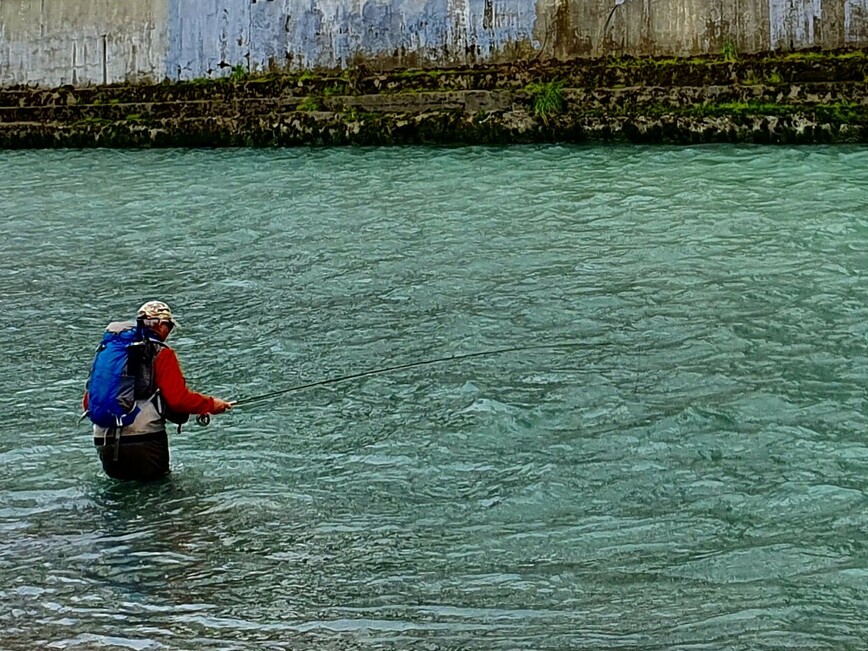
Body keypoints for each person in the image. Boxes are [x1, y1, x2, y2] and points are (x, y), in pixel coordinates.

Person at [83, 301, 234, 481]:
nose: (169, 332)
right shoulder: (161, 352)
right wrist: (211, 404)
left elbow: (88, 401)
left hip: (103, 439)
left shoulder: (109, 350)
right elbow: (178, 399)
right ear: (161, 325)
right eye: (169, 326)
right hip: (145, 438)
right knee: (160, 497)